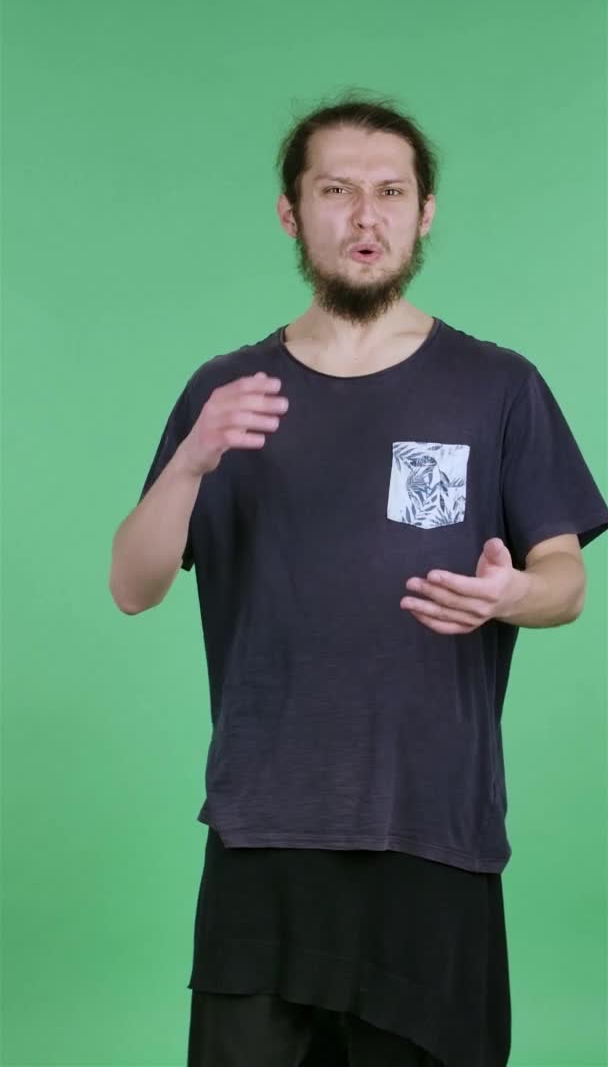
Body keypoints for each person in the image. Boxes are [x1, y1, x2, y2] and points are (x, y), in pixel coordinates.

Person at [109, 94, 608, 1067]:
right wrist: (189, 463)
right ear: (291, 213)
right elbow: (134, 585)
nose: (363, 216)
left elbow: (565, 580)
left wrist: (513, 595)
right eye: (335, 191)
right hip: (266, 832)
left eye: (389, 192)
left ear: (424, 213)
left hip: (434, 832)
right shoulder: (228, 394)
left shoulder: (495, 386)